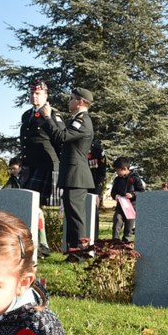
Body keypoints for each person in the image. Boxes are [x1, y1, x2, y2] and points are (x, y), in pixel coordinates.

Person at [50, 87, 97, 262]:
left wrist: (51, 117)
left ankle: (80, 253)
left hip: (77, 175)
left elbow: (62, 136)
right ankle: (73, 252)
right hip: (72, 175)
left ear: (80, 102)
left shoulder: (83, 121)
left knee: (76, 216)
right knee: (71, 215)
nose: (68, 101)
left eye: (71, 98)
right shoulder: (78, 120)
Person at [20, 78, 65, 205]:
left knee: (38, 205)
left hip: (47, 165)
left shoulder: (53, 115)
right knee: (27, 203)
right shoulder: (26, 115)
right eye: (32, 93)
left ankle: (41, 225)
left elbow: (61, 139)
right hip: (29, 165)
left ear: (46, 95)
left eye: (38, 93)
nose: (34, 96)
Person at [6, 157, 52, 258]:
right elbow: (6, 189)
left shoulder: (28, 176)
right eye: (11, 169)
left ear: (20, 167)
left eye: (14, 168)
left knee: (39, 219)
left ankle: (43, 245)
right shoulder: (13, 179)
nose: (12, 171)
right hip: (20, 205)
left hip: (33, 204)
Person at [110, 157, 145, 243]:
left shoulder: (135, 178)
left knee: (128, 229)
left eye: (118, 171)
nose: (117, 173)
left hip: (131, 208)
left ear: (124, 169)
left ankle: (126, 244)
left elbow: (141, 192)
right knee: (117, 223)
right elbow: (113, 192)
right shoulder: (117, 179)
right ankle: (115, 242)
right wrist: (115, 196)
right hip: (120, 207)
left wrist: (132, 195)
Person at [89, 140, 107, 240]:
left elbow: (102, 171)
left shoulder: (97, 149)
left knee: (93, 211)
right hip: (80, 183)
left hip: (94, 184)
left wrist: (97, 191)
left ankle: (94, 237)